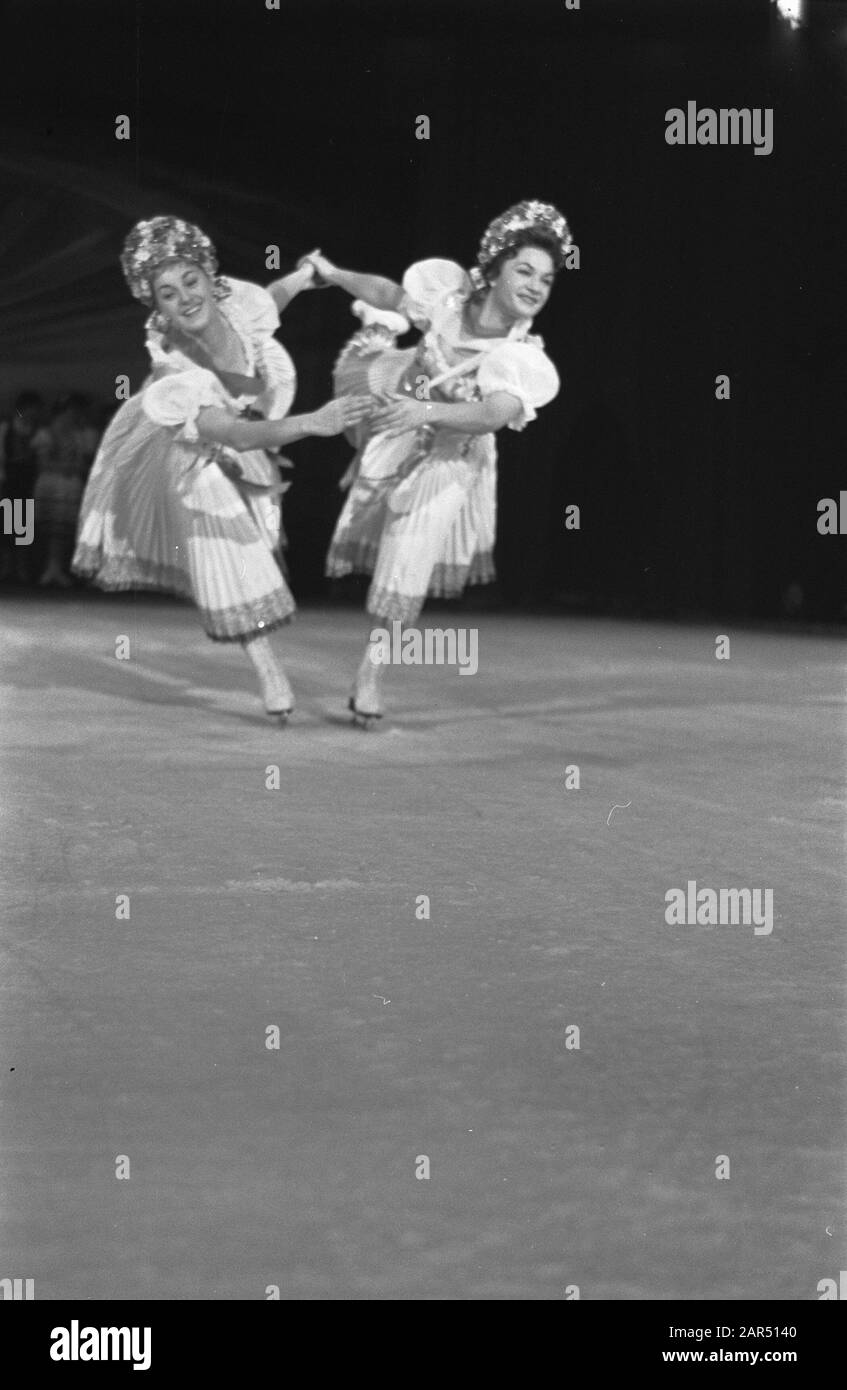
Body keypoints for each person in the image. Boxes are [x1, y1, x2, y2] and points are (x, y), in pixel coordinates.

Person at [72, 216, 371, 721]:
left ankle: (268, 661)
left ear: (212, 277)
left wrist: (305, 274)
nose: (185, 297)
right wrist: (315, 423)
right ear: (155, 304)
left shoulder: (240, 305)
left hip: (251, 432)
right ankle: (270, 674)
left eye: (191, 281)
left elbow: (271, 299)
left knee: (256, 539)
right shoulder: (176, 367)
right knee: (227, 547)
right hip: (188, 449)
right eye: (167, 293)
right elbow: (231, 433)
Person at [299, 199, 569, 726]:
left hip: (452, 456)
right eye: (525, 271)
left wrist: (425, 411)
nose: (537, 286)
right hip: (398, 419)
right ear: (493, 271)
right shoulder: (447, 300)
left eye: (548, 279)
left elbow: (493, 414)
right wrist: (333, 274)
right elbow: (391, 293)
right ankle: (373, 332)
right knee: (375, 533)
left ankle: (370, 679)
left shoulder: (523, 358)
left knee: (409, 562)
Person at [32, 395, 99, 587]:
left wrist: (75, 468)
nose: (70, 418)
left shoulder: (83, 436)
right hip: (50, 484)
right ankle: (48, 567)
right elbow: (42, 463)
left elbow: (87, 462)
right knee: (46, 525)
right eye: (67, 414)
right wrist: (64, 467)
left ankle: (58, 567)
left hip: (72, 485)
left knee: (65, 527)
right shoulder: (46, 434)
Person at [0, 391, 44, 584]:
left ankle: (22, 568)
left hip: (28, 479)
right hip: (10, 478)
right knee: (8, 524)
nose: (35, 412)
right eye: (32, 408)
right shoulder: (6, 428)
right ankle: (8, 566)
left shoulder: (38, 430)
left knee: (25, 525)